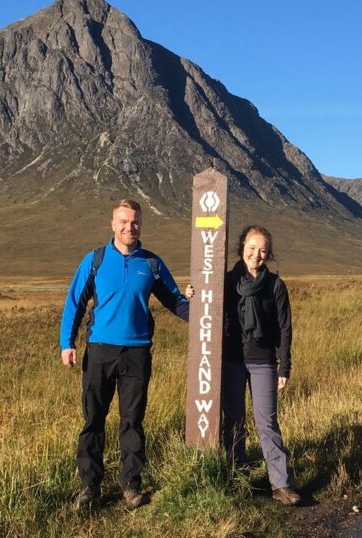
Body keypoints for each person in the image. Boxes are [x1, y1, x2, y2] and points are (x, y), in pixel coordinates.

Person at [60, 199, 189, 511]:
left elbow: (176, 301)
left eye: (134, 222)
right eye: (123, 221)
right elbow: (75, 303)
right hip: (100, 351)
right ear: (112, 224)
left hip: (137, 353)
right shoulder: (95, 261)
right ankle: (90, 487)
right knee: (93, 419)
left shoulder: (152, 264)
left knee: (132, 421)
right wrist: (68, 342)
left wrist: (202, 308)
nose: (129, 227)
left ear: (141, 224)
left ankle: (131, 486)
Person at [220, 225, 299, 505]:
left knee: (268, 423)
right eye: (252, 248)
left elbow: (284, 329)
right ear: (242, 247)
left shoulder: (275, 285)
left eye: (263, 250)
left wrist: (284, 367)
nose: (257, 254)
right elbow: (207, 305)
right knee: (234, 422)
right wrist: (194, 292)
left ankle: (280, 484)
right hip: (231, 360)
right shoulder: (227, 281)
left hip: (263, 361)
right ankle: (237, 476)